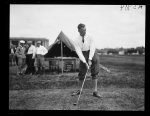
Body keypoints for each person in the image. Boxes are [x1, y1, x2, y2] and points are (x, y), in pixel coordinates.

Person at [72, 23, 101, 98]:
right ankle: (79, 90)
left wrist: (90, 59)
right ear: (78, 31)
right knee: (81, 72)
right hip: (83, 53)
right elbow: (78, 52)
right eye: (82, 30)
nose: (85, 31)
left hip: (92, 52)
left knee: (95, 72)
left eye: (85, 30)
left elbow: (92, 47)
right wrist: (85, 62)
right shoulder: (76, 40)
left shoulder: (91, 36)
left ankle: (95, 91)